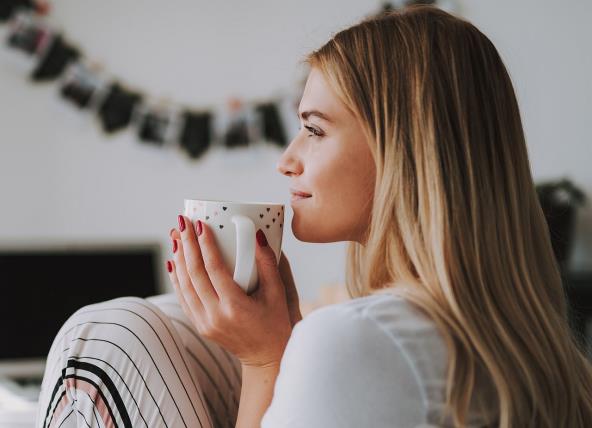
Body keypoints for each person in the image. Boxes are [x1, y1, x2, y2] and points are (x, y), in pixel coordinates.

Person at [35, 5, 592, 428]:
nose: (287, 160)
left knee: (105, 334)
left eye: (314, 129)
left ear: (402, 149)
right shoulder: (546, 356)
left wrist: (264, 360)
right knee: (159, 321)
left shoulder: (356, 340)